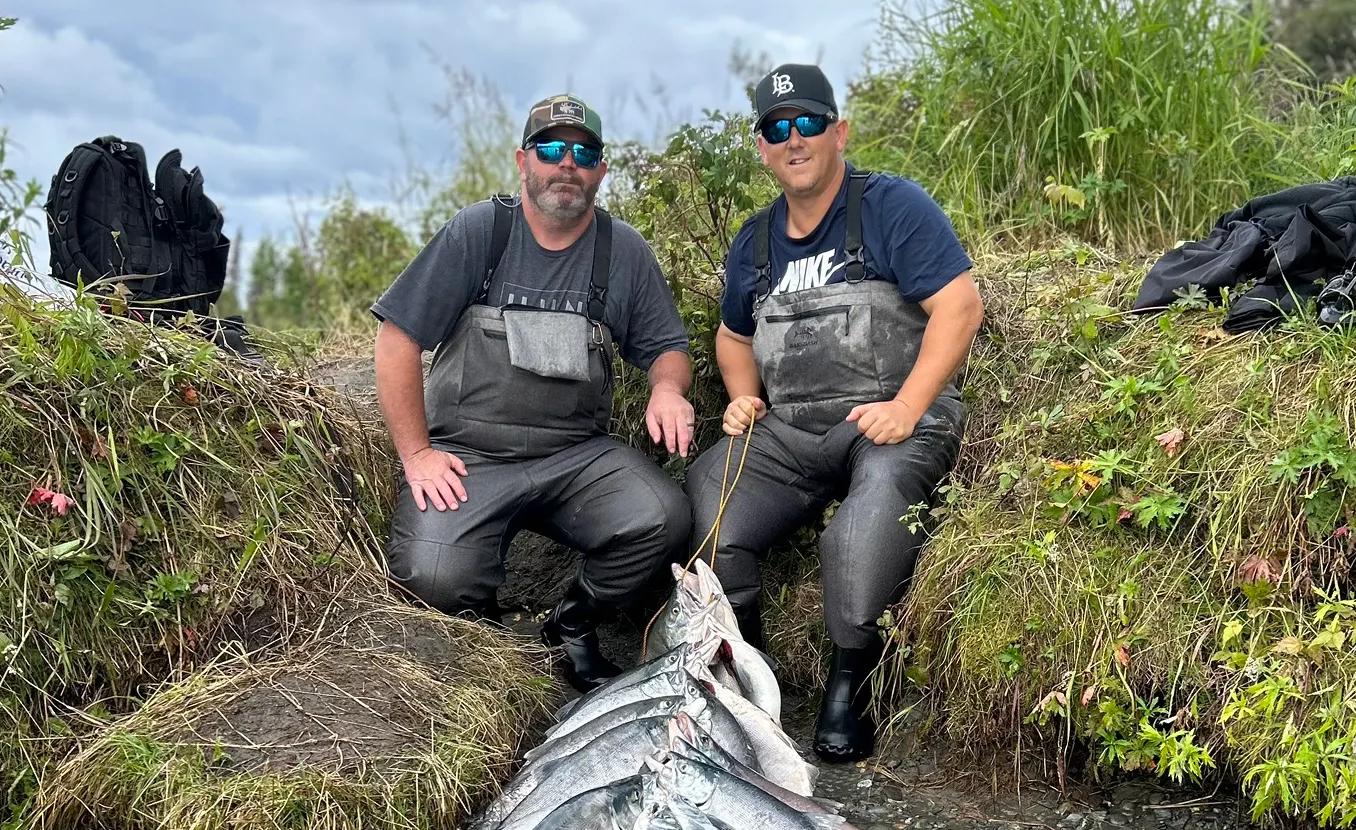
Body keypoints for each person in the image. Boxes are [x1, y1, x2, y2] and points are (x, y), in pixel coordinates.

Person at [686, 64, 983, 761]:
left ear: (838, 131)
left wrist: (909, 405)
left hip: (888, 423)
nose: (794, 139)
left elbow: (960, 306)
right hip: (791, 428)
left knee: (864, 523)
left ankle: (849, 683)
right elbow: (733, 337)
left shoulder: (893, 207)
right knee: (709, 495)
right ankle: (749, 675)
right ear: (761, 147)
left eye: (808, 123)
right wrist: (741, 395)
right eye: (777, 129)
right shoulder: (753, 243)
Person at [373, 94, 695, 690]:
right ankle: (486, 632)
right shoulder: (481, 232)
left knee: (663, 518)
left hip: (576, 456)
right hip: (471, 456)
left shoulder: (623, 252)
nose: (566, 163)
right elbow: (397, 341)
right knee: (433, 577)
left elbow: (666, 349)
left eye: (583, 151)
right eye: (551, 148)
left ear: (601, 169)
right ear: (524, 161)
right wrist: (417, 455)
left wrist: (667, 389)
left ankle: (570, 625)